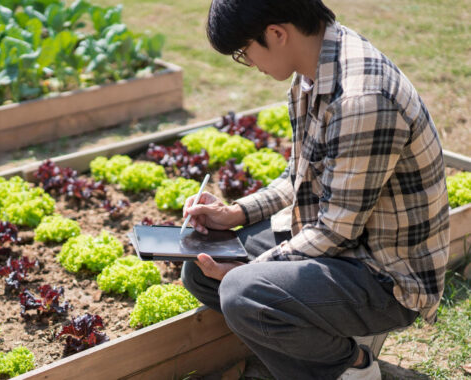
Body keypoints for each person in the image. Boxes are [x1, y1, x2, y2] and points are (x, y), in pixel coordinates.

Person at [181, 1, 450, 379]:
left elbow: (336, 230)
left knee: (243, 292)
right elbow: (300, 173)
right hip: (345, 244)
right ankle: (324, 357)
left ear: (276, 33)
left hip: (386, 275)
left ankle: (353, 369)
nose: (249, 63)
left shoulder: (360, 99)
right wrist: (235, 213)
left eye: (244, 52)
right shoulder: (314, 70)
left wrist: (247, 272)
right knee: (200, 270)